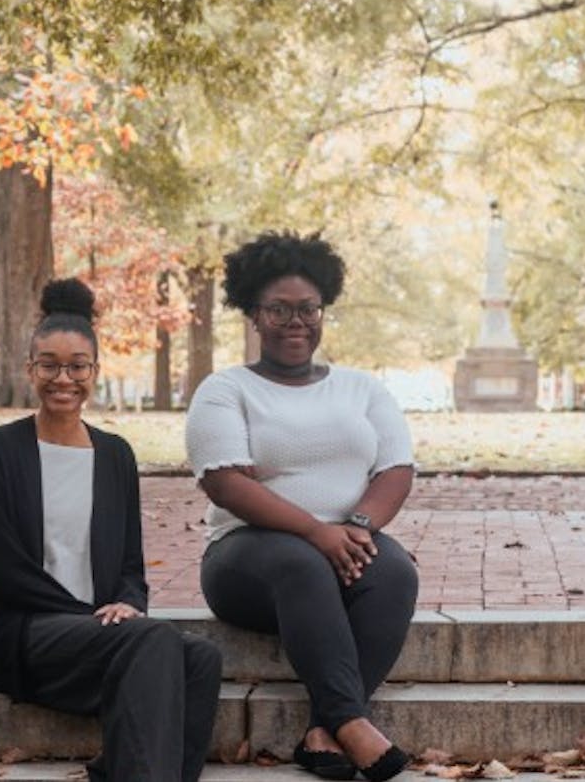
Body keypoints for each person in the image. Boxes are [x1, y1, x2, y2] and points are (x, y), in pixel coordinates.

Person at [0, 278, 222, 782]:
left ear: (95, 372)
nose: (64, 378)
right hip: (25, 633)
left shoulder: (116, 454)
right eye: (50, 365)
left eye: (78, 365)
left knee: (202, 659)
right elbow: (6, 571)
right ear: (29, 370)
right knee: (150, 641)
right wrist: (103, 619)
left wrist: (127, 603)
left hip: (103, 634)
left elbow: (130, 561)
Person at [185, 231, 417, 782]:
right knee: (301, 563)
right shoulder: (225, 390)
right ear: (254, 315)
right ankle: (352, 721)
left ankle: (324, 731)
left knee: (396, 572)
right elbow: (226, 484)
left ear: (323, 310)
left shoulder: (362, 388)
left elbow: (396, 469)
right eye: (279, 309)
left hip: (346, 543)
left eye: (308, 308)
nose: (296, 321)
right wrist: (317, 532)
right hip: (245, 559)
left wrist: (357, 527)